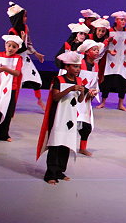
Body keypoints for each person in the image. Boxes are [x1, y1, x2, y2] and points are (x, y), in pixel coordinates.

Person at [37, 51, 93, 184]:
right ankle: (50, 174)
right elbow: (55, 97)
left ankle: (60, 171)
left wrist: (83, 93)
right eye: (75, 66)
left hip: (71, 117)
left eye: (79, 67)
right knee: (55, 143)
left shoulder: (79, 81)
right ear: (67, 67)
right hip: (58, 116)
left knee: (66, 143)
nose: (78, 69)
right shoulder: (59, 80)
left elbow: (79, 100)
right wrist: (70, 89)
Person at [6, 1, 46, 111]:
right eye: (24, 16)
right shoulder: (12, 32)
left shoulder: (25, 28)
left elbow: (28, 44)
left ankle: (39, 101)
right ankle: (10, 104)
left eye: (26, 16)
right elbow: (13, 50)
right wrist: (21, 41)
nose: (26, 18)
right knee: (15, 83)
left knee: (35, 79)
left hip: (25, 58)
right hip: (15, 60)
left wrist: (36, 53)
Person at [0, 35, 23, 141]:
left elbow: (17, 73)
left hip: (10, 89)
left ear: (17, 48)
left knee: (6, 112)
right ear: (5, 45)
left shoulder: (18, 58)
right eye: (9, 45)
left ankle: (3, 135)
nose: (11, 48)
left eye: (14, 47)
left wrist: (5, 69)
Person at [96, 11, 126, 111]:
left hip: (123, 59)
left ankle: (120, 104)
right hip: (111, 59)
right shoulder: (109, 31)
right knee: (108, 81)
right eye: (121, 20)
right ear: (116, 20)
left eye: (125, 20)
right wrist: (109, 51)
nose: (123, 22)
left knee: (123, 81)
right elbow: (104, 45)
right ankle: (103, 102)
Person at [76, 39, 104, 156]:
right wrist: (87, 91)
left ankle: (82, 148)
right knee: (71, 124)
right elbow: (75, 81)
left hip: (86, 101)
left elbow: (94, 83)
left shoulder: (96, 66)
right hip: (75, 99)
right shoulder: (79, 64)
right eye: (94, 49)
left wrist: (95, 91)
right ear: (87, 52)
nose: (97, 51)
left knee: (86, 126)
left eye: (98, 50)